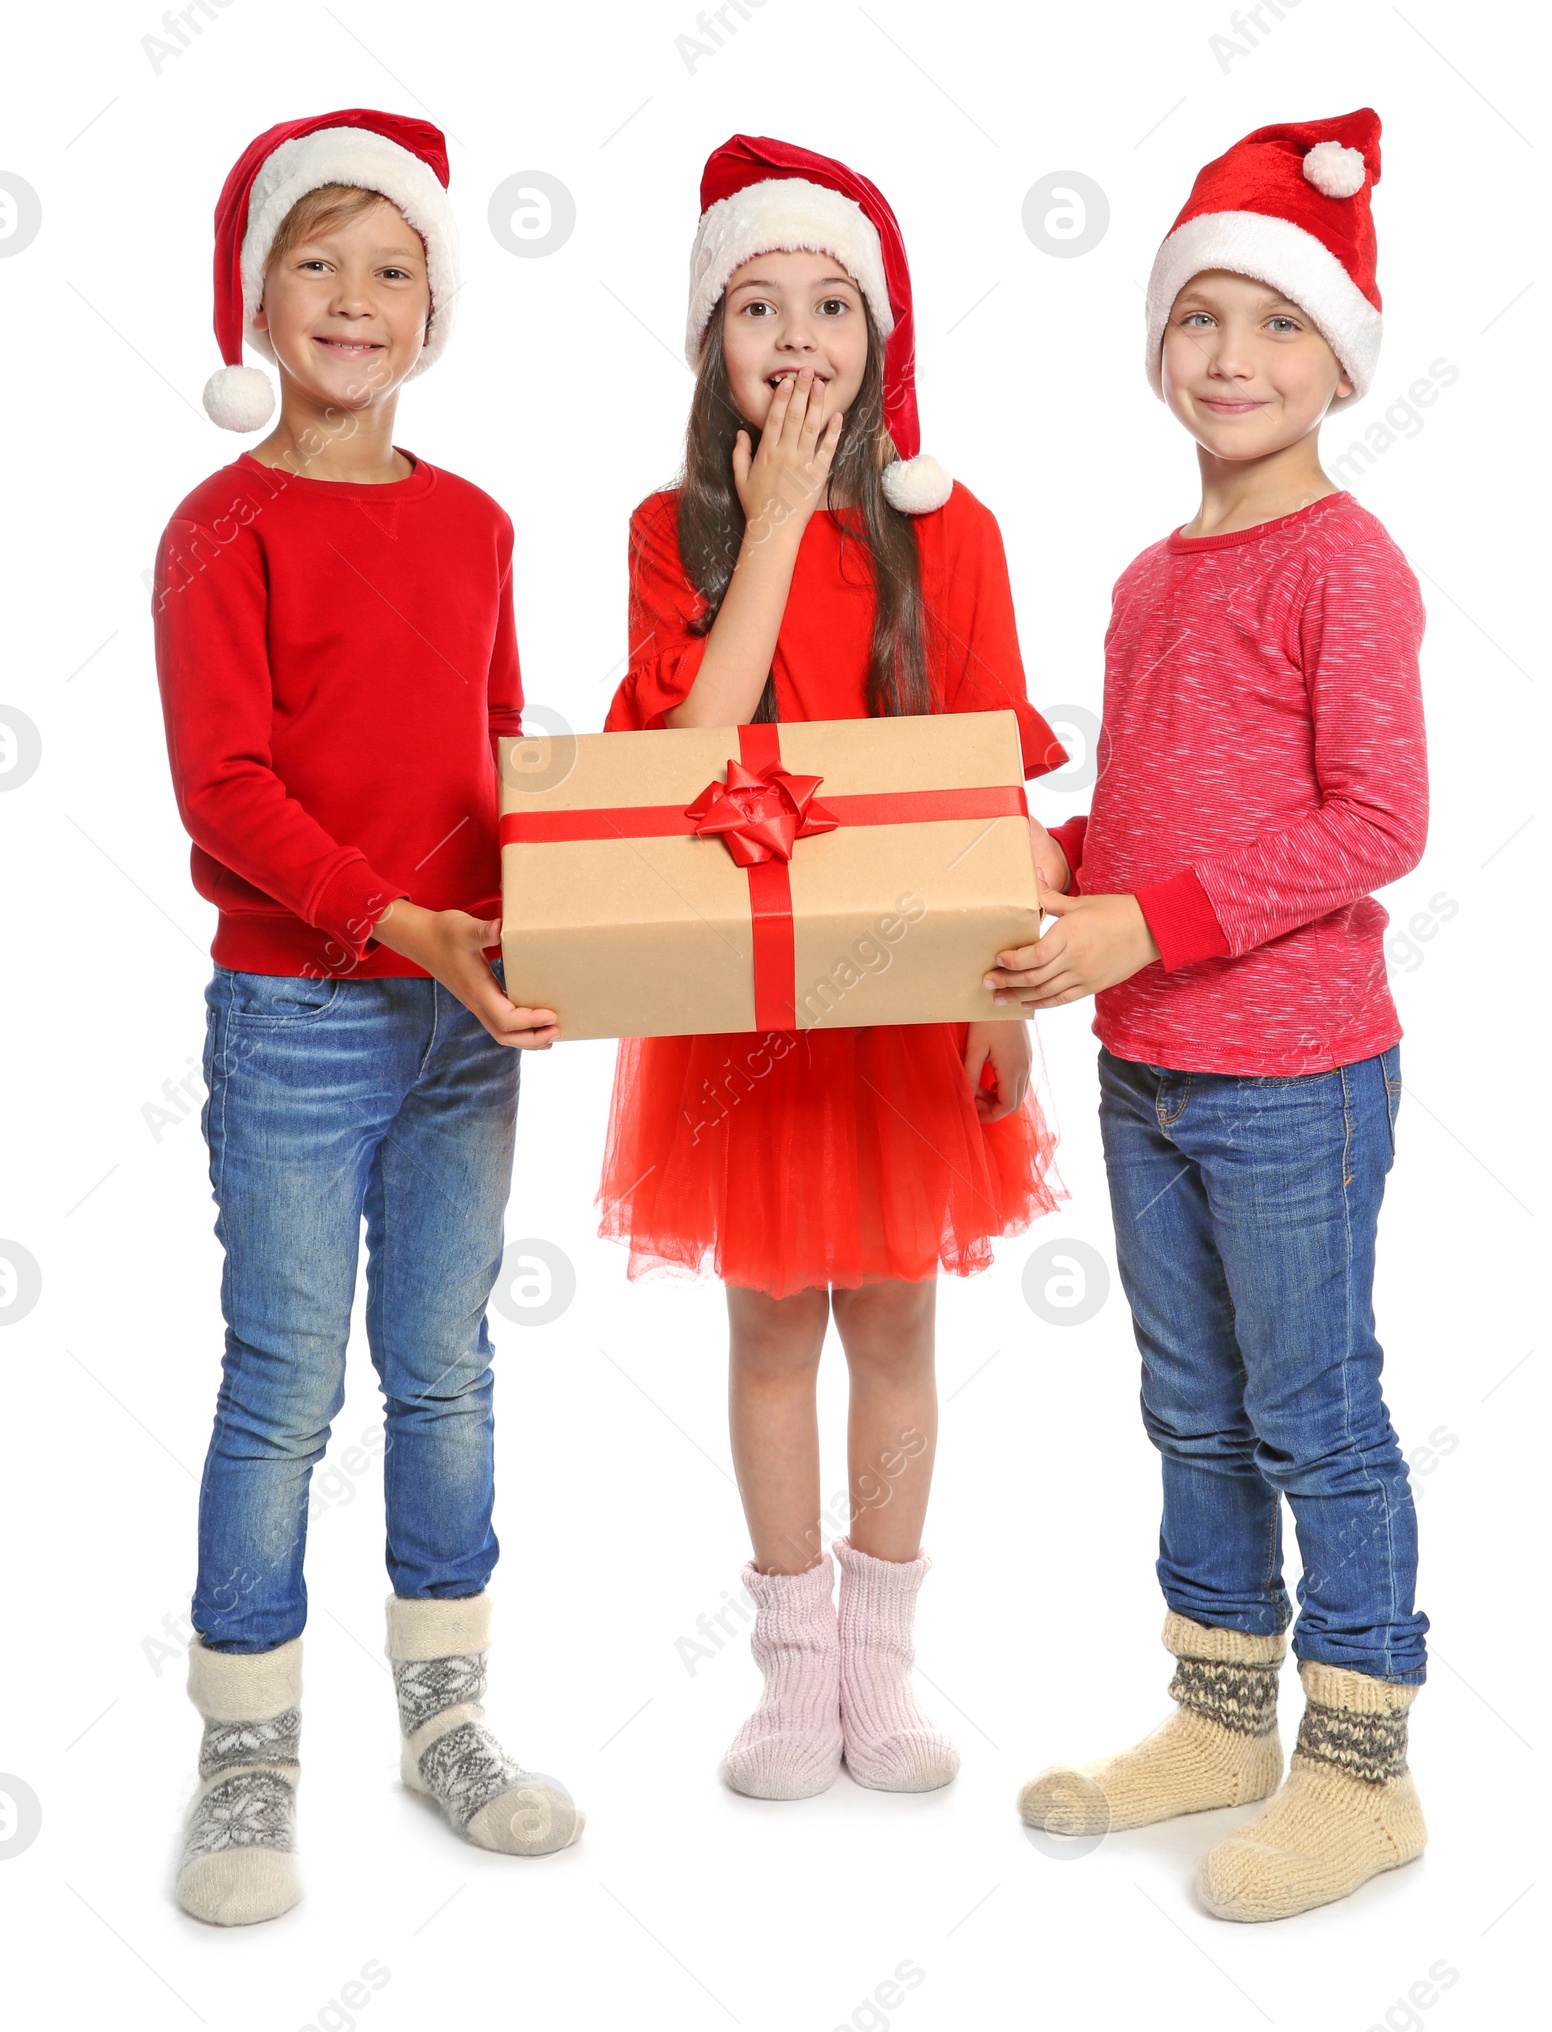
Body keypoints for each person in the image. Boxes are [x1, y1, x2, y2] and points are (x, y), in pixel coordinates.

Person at [996, 110, 1430, 1922]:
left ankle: (1362, 1768)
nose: (1233, 358)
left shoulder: (1346, 562)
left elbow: (1374, 823)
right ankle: (1223, 1713)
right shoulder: (1150, 580)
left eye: (1277, 325)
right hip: (1149, 1068)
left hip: (1293, 1071)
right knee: (1191, 1406)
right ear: (1161, 349)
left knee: (1314, 1407)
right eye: (1201, 321)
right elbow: (1167, 806)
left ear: (1341, 358)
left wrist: (1139, 918)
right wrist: (1049, 854)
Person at [152, 107, 581, 1925]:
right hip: (302, 1018)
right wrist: (406, 921)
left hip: (463, 1018)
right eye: (318, 262)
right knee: (283, 1386)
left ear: (434, 310)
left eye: (391, 267)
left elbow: (500, 758)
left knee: (452, 1369)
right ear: (260, 305)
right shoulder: (219, 526)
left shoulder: (476, 523)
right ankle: (246, 1752)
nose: (354, 297)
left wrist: (559, 905)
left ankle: (445, 1718)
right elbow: (225, 790)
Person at [599, 134, 1065, 1801]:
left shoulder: (959, 535)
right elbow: (681, 752)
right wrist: (780, 522)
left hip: (912, 996)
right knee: (772, 1325)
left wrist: (1003, 1003)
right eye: (756, 305)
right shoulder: (674, 529)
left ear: (881, 337)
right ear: (710, 341)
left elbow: (994, 781)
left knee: (894, 1320)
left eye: (830, 305)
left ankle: (887, 1665)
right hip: (749, 1009)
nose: (796, 338)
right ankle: (793, 1678)